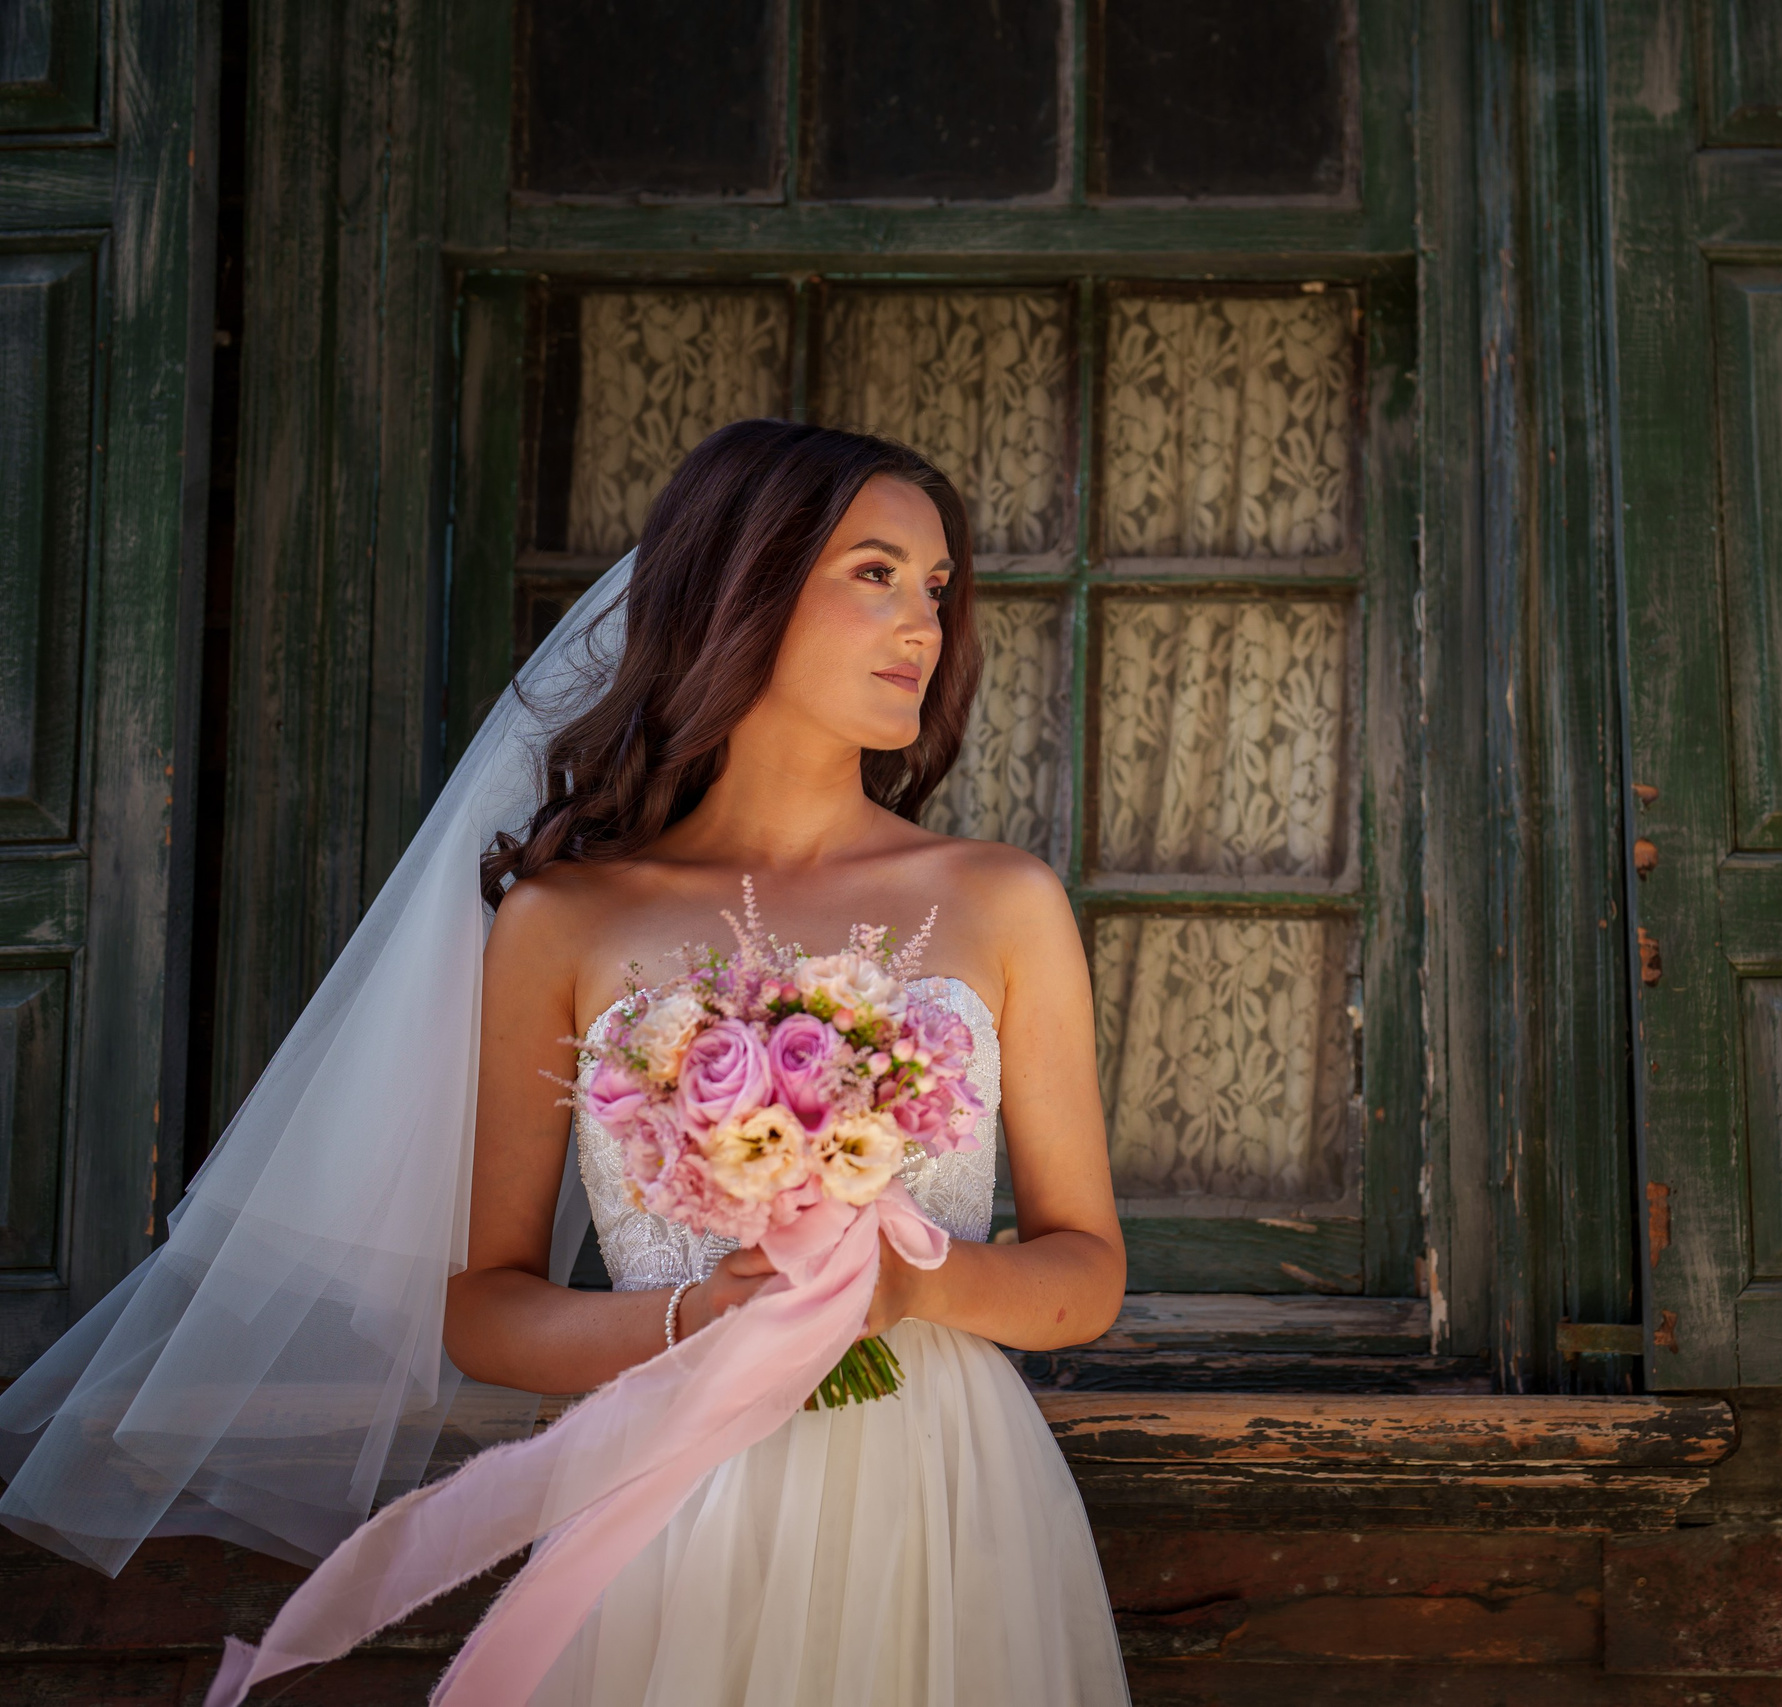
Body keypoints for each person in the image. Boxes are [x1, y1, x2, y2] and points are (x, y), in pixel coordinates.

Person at [0, 421, 1134, 1705]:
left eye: (935, 586)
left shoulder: (1000, 901)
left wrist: (910, 1289)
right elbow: (480, 1304)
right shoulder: (570, 920)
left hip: (941, 1486)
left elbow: (1085, 1274)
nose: (923, 623)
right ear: (741, 587)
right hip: (664, 1501)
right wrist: (689, 1317)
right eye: (874, 573)